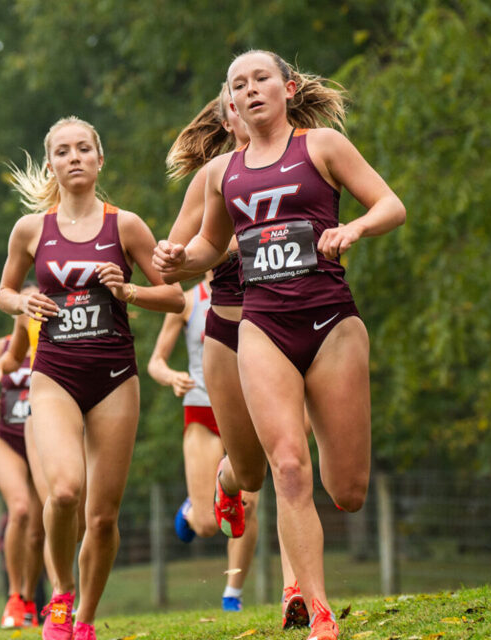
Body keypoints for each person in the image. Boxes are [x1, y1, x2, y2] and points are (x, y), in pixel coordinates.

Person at [155, 51, 406, 640]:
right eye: (238, 84)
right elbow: (207, 247)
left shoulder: (322, 147)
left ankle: (293, 559)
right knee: (287, 467)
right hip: (261, 329)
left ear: (288, 88)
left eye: (261, 78)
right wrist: (175, 259)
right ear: (231, 105)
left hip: (331, 325)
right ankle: (316, 609)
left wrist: (354, 229)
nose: (250, 90)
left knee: (346, 491)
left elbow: (391, 205)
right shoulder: (221, 175)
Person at [0, 116, 184, 640]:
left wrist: (129, 293)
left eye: (84, 149)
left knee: (102, 517)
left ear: (100, 160)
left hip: (114, 377)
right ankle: (59, 595)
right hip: (54, 374)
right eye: (63, 151)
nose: (74, 158)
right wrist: (23, 300)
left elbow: (174, 295)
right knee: (63, 494)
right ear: (52, 163)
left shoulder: (124, 226)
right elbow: (4, 292)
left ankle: (84, 619)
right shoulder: (31, 230)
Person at [161, 88, 311, 627]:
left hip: (293, 324)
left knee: (291, 464)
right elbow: (172, 264)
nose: (245, 106)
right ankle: (220, 485)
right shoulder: (215, 179)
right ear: (227, 119)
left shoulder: (302, 159)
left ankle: (298, 592)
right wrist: (177, 255)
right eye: (232, 102)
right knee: (251, 473)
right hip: (231, 329)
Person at [147, 272, 260, 612]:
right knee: (209, 526)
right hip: (202, 408)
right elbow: (155, 362)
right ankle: (193, 508)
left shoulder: (256, 288)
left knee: (247, 506)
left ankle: (232, 594)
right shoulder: (186, 301)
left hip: (249, 407)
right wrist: (172, 377)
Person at [0, 285, 46, 628]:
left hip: (44, 443)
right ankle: (14, 597)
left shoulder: (51, 343)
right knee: (18, 509)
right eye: (25, 302)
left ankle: (29, 599)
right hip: (7, 441)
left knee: (38, 528)